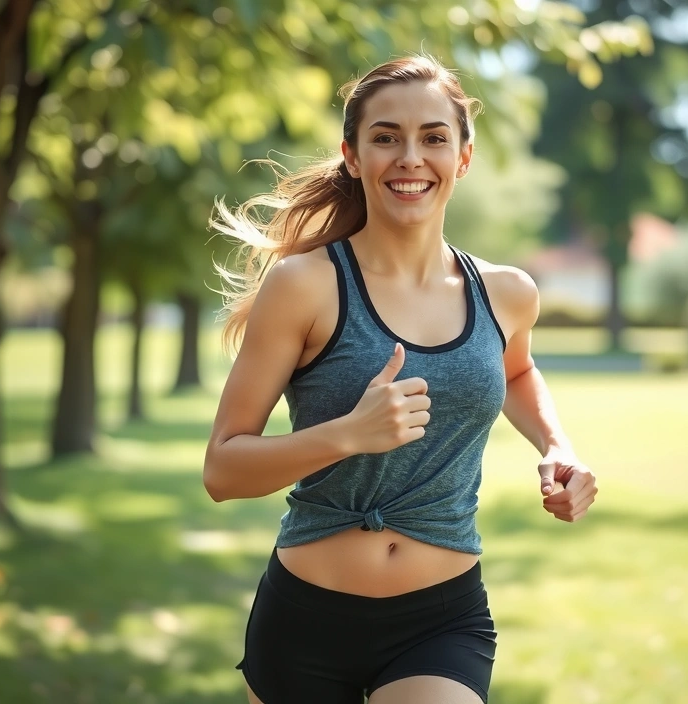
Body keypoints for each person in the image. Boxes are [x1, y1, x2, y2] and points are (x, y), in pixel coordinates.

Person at [203, 55, 597, 704]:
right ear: (352, 156)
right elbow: (222, 471)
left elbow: (517, 369)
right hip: (305, 621)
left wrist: (558, 447)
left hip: (441, 621)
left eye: (433, 137)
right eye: (386, 137)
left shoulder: (506, 294)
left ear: (463, 158)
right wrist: (348, 434)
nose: (410, 157)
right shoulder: (305, 286)